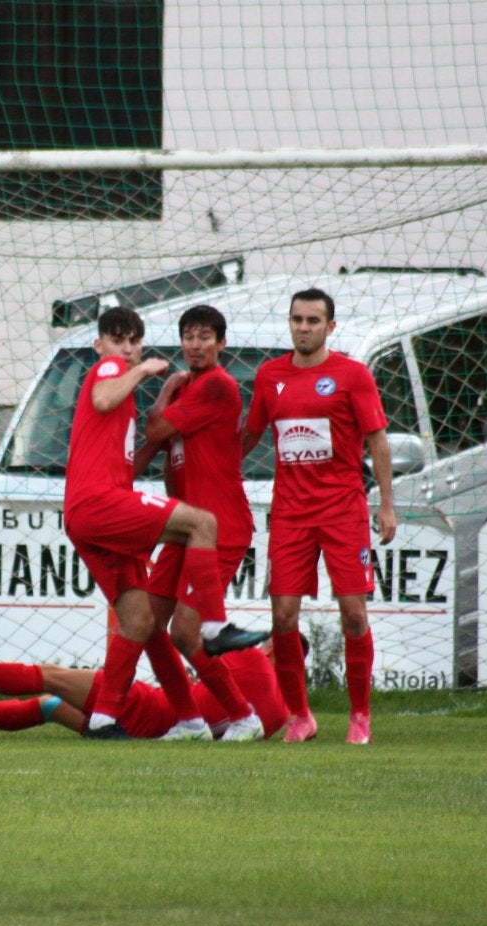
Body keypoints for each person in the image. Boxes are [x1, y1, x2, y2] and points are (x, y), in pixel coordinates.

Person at [63, 305, 248, 740]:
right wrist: (145, 370)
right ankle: (218, 628)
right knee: (201, 522)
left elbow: (139, 449)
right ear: (99, 346)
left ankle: (111, 719)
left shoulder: (135, 396)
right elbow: (105, 396)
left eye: (134, 342)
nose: (126, 349)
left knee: (142, 622)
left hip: (86, 516)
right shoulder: (112, 374)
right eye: (117, 340)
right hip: (100, 504)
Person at [241, 287, 397, 745]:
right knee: (283, 617)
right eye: (297, 320)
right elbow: (248, 437)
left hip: (343, 511)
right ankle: (301, 716)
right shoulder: (270, 377)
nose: (303, 328)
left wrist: (386, 505)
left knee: (353, 614)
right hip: (290, 514)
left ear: (330, 327)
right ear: (289, 323)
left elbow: (378, 441)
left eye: (313, 321)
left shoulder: (352, 375)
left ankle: (360, 717)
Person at [132, 304, 268, 741]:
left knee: (187, 632)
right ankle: (190, 721)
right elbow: (150, 448)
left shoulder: (216, 387)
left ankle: (243, 716)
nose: (196, 344)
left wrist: (164, 390)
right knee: (148, 624)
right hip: (184, 527)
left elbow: (155, 430)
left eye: (205, 336)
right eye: (189, 336)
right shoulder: (188, 390)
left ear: (221, 344)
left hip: (218, 528)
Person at [0, 642, 289, 740]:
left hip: (149, 708)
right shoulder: (280, 715)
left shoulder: (253, 657)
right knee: (51, 705)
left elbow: (189, 638)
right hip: (151, 729)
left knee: (52, 677)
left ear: (273, 651)